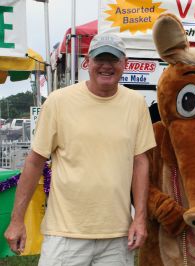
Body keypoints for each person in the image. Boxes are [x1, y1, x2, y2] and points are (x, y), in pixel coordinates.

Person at [4, 33, 156, 265]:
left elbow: (140, 162)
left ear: (124, 63)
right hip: (65, 235)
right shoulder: (58, 102)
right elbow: (35, 161)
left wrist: (140, 219)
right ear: (87, 62)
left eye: (113, 60)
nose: (106, 66)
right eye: (99, 59)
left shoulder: (136, 104)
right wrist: (17, 220)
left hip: (116, 237)